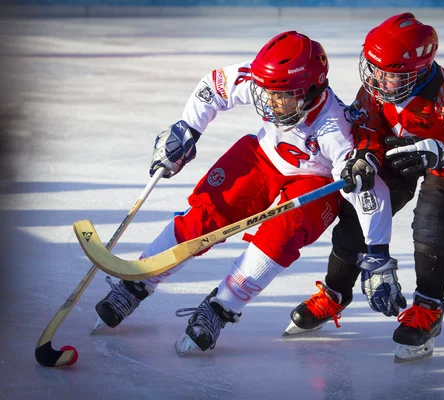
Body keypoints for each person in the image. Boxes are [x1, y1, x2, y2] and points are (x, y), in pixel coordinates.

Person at [92, 31, 394, 355]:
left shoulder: (337, 128)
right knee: (205, 215)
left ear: (311, 91)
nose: (270, 102)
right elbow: (213, 87)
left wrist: (378, 251)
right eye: (266, 92)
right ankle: (137, 282)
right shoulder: (266, 79)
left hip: (315, 182)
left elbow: (371, 192)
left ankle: (221, 307)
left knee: (280, 236)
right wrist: (186, 129)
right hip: (262, 157)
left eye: (283, 96)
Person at [286, 13, 444, 362]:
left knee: (432, 221)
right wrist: (365, 155)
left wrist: (441, 153)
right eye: (373, 68)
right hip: (396, 151)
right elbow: (364, 122)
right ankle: (334, 293)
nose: (377, 79)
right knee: (358, 209)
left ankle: (428, 309)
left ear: (419, 71)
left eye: (391, 74)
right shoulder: (378, 87)